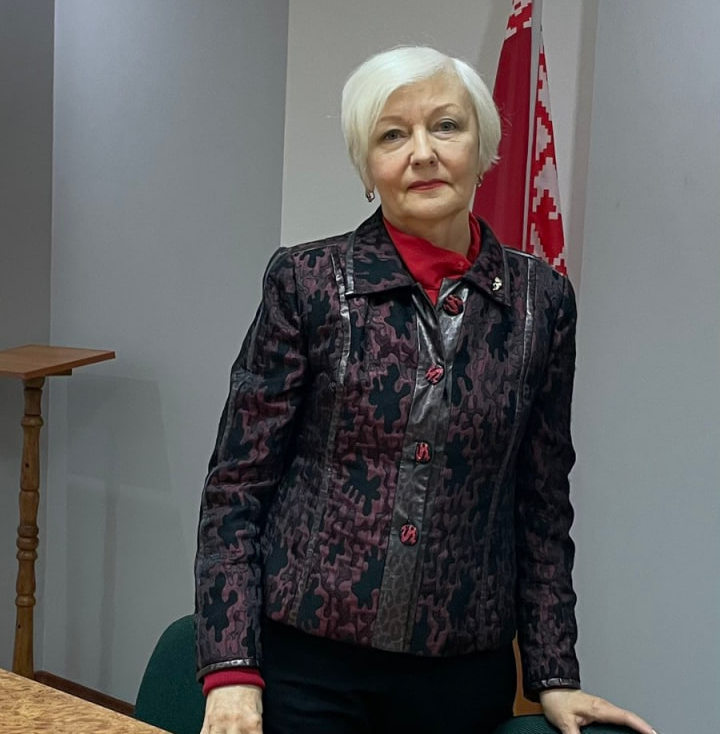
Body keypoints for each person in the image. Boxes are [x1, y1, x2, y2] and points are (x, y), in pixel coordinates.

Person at [195, 46, 656, 734]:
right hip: (305, 670)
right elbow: (237, 487)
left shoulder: (543, 301)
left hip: (460, 678)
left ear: (482, 147)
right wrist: (232, 671)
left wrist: (554, 672)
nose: (422, 153)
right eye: (392, 135)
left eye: (445, 126)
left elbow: (541, 500)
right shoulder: (306, 282)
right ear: (367, 167)